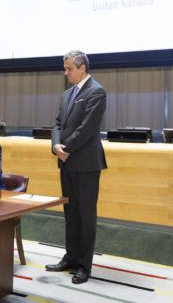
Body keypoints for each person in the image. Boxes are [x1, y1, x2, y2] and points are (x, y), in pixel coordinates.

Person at [45, 50, 107, 285]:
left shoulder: (96, 91)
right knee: (70, 214)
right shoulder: (67, 94)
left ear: (82, 68)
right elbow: (57, 123)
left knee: (86, 215)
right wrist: (56, 147)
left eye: (69, 68)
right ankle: (70, 257)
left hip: (86, 163)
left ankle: (84, 265)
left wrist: (66, 147)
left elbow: (88, 127)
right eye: (65, 68)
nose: (66, 72)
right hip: (67, 161)